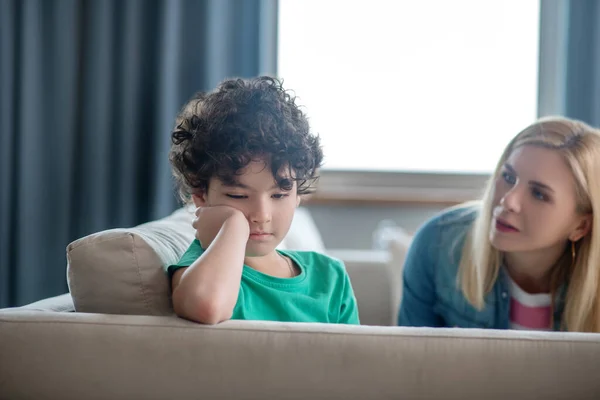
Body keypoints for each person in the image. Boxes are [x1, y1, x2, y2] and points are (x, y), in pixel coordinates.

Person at [167, 76, 360, 325]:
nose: (262, 214)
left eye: (279, 195)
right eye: (238, 196)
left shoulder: (330, 277)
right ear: (201, 196)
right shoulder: (200, 269)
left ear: (297, 194)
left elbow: (356, 361)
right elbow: (207, 307)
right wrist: (233, 226)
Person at [398, 116, 600, 332]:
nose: (508, 201)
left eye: (539, 194)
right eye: (509, 177)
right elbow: (410, 361)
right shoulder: (436, 244)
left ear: (581, 226)